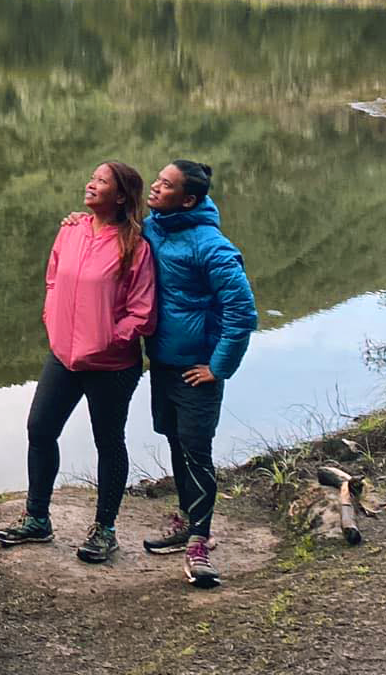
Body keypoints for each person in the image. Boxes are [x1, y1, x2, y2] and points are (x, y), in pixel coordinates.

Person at [0, 160, 156, 562]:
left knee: (108, 442)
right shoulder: (71, 230)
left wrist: (107, 339)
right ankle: (37, 519)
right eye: (92, 178)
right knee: (40, 429)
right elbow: (52, 279)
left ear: (120, 196)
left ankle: (105, 528)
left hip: (112, 365)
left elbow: (142, 311)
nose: (91, 184)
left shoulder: (135, 244)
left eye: (101, 181)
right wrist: (53, 320)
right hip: (64, 357)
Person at [140, 158, 257, 588]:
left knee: (197, 450)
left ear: (187, 199)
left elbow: (242, 311)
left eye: (166, 185)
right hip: (164, 364)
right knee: (174, 441)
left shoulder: (213, 246)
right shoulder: (155, 227)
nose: (155, 187)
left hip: (196, 371)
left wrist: (219, 367)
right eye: (157, 179)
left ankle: (200, 542)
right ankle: (186, 520)